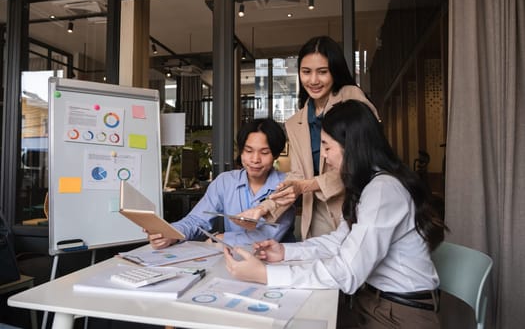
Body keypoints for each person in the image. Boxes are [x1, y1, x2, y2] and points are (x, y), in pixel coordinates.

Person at [224, 100, 446, 328]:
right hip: (373, 303)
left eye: (327, 147)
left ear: (351, 146)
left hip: (400, 314)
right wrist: (284, 252)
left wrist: (266, 275)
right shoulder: (369, 186)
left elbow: (347, 271)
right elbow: (338, 242)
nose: (325, 157)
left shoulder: (383, 191)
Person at [236, 35, 379, 240]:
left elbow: (364, 160)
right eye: (306, 72)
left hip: (356, 208)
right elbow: (297, 176)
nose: (313, 80)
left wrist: (306, 185)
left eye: (322, 72)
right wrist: (262, 208)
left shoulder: (350, 97)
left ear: (335, 71)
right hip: (316, 218)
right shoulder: (295, 122)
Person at [148, 118, 295, 249]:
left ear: (275, 155)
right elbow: (197, 219)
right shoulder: (225, 182)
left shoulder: (286, 185)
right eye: (248, 151)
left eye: (264, 153)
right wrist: (171, 233)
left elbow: (269, 236)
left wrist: (222, 238)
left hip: (276, 264)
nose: (255, 159)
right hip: (231, 261)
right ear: (241, 152)